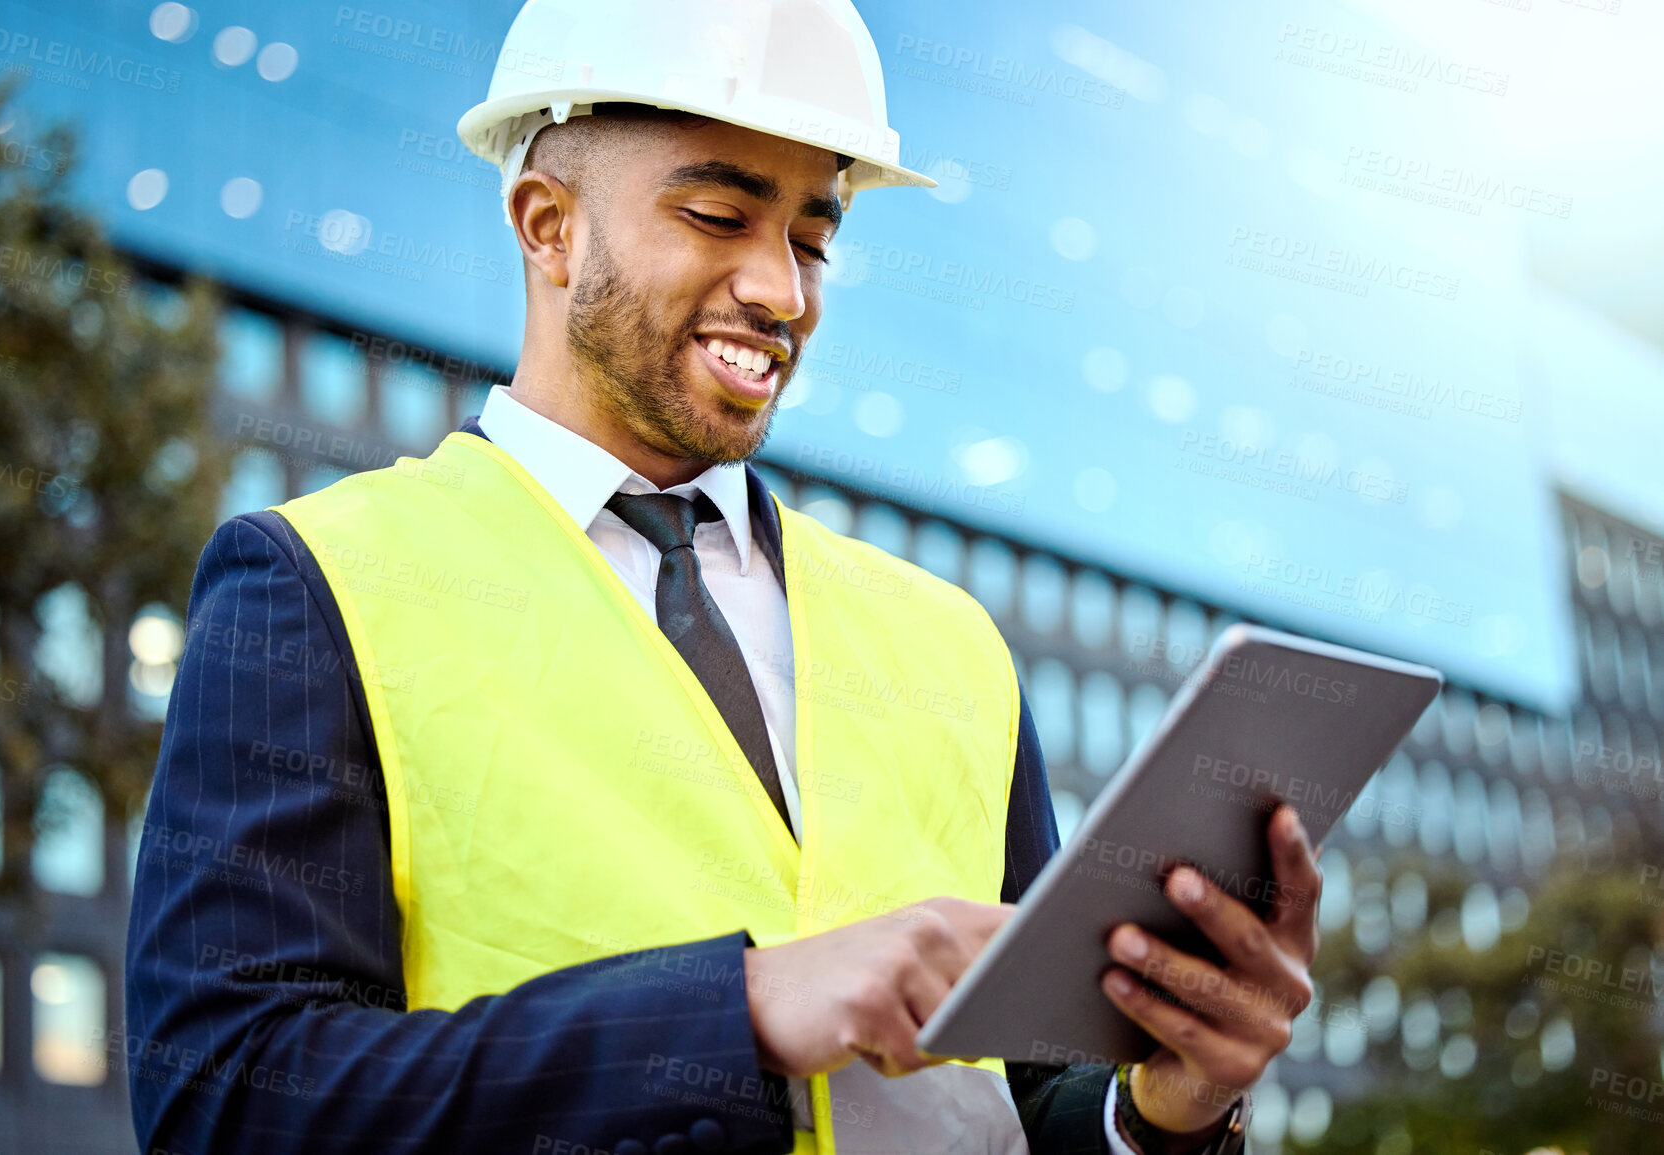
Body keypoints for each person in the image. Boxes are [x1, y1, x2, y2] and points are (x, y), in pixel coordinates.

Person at [125, 2, 1321, 1152]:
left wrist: (1160, 1113)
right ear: (547, 225)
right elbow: (228, 1098)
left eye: (812, 237)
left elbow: (1022, 1106)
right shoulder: (318, 583)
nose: (782, 291)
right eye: (715, 215)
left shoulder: (950, 645)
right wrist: (738, 1011)